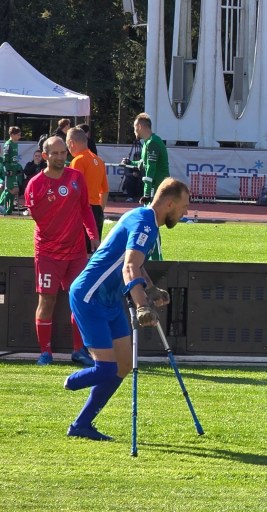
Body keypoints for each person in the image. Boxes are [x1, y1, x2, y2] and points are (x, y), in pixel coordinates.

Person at [63, 178, 190, 441]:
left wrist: (151, 289)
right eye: (184, 206)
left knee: (123, 365)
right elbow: (129, 267)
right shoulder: (145, 223)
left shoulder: (147, 220)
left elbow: (137, 264)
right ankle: (70, 381)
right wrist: (142, 306)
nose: (185, 212)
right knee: (106, 369)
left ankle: (81, 425)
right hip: (90, 297)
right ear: (169, 203)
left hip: (110, 300)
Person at [24, 137, 100, 367]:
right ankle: (45, 352)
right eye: (55, 153)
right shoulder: (35, 184)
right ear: (44, 156)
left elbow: (85, 209)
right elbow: (38, 218)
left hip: (76, 252)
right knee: (47, 300)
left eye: (63, 152)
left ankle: (79, 350)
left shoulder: (76, 178)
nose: (60, 157)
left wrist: (93, 236)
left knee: (79, 299)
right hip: (48, 253)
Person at [67, 127, 109, 242]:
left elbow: (75, 189)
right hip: (97, 210)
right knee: (94, 248)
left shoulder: (78, 161)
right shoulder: (99, 161)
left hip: (82, 210)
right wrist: (100, 210)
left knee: (79, 249)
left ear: (71, 143)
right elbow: (105, 190)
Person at [121, 113, 169, 204]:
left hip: (158, 189)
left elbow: (151, 168)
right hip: (155, 188)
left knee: (153, 212)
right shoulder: (148, 143)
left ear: (139, 126)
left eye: (134, 128)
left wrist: (147, 194)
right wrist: (130, 162)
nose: (134, 131)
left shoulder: (152, 142)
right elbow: (144, 163)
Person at [1, 126, 23, 215]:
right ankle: (1, 205)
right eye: (18, 135)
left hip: (14, 172)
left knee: (15, 190)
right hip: (9, 172)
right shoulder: (8, 144)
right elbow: (5, 159)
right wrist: (7, 170)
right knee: (11, 189)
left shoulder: (16, 144)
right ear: (12, 134)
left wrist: (17, 169)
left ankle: (9, 210)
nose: (19, 137)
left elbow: (15, 159)